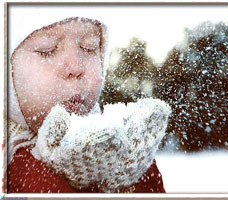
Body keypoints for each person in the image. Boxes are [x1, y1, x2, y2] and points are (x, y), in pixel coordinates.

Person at [7, 17, 166, 193]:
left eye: (88, 48)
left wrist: (133, 180)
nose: (76, 67)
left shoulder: (118, 149)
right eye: (48, 50)